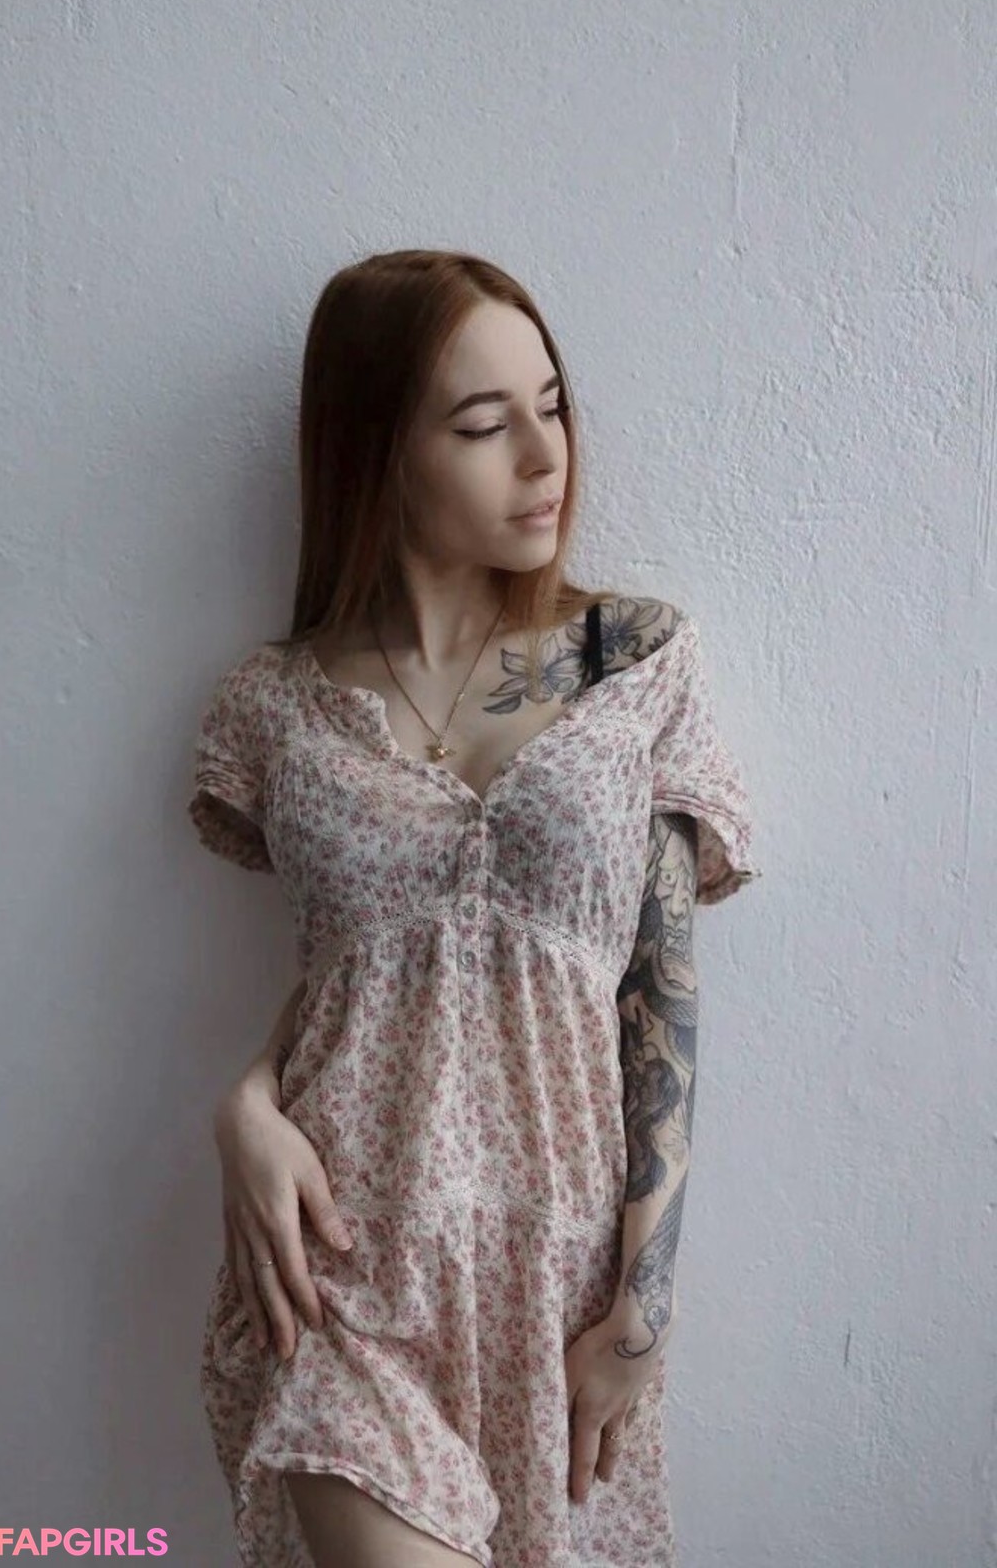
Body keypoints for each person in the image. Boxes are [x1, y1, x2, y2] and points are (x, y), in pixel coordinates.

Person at [188, 248, 761, 1568]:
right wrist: (247, 1106)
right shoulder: (273, 706)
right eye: (485, 424)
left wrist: (641, 1312)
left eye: (551, 407)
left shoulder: (634, 660)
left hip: (557, 1285)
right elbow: (363, 974)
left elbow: (659, 995)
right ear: (378, 452)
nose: (545, 457)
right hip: (338, 1269)